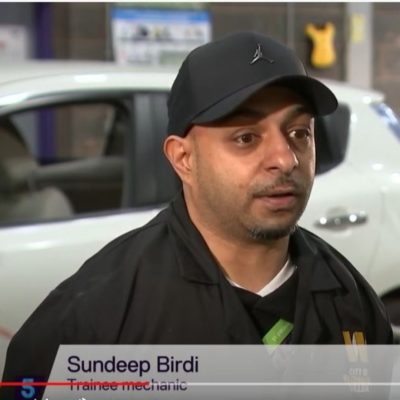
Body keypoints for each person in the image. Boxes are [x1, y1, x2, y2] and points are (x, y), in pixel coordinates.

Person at [1, 31, 393, 399]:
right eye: (246, 138)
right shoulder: (93, 320)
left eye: (299, 133)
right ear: (183, 159)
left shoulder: (352, 303)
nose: (284, 159)